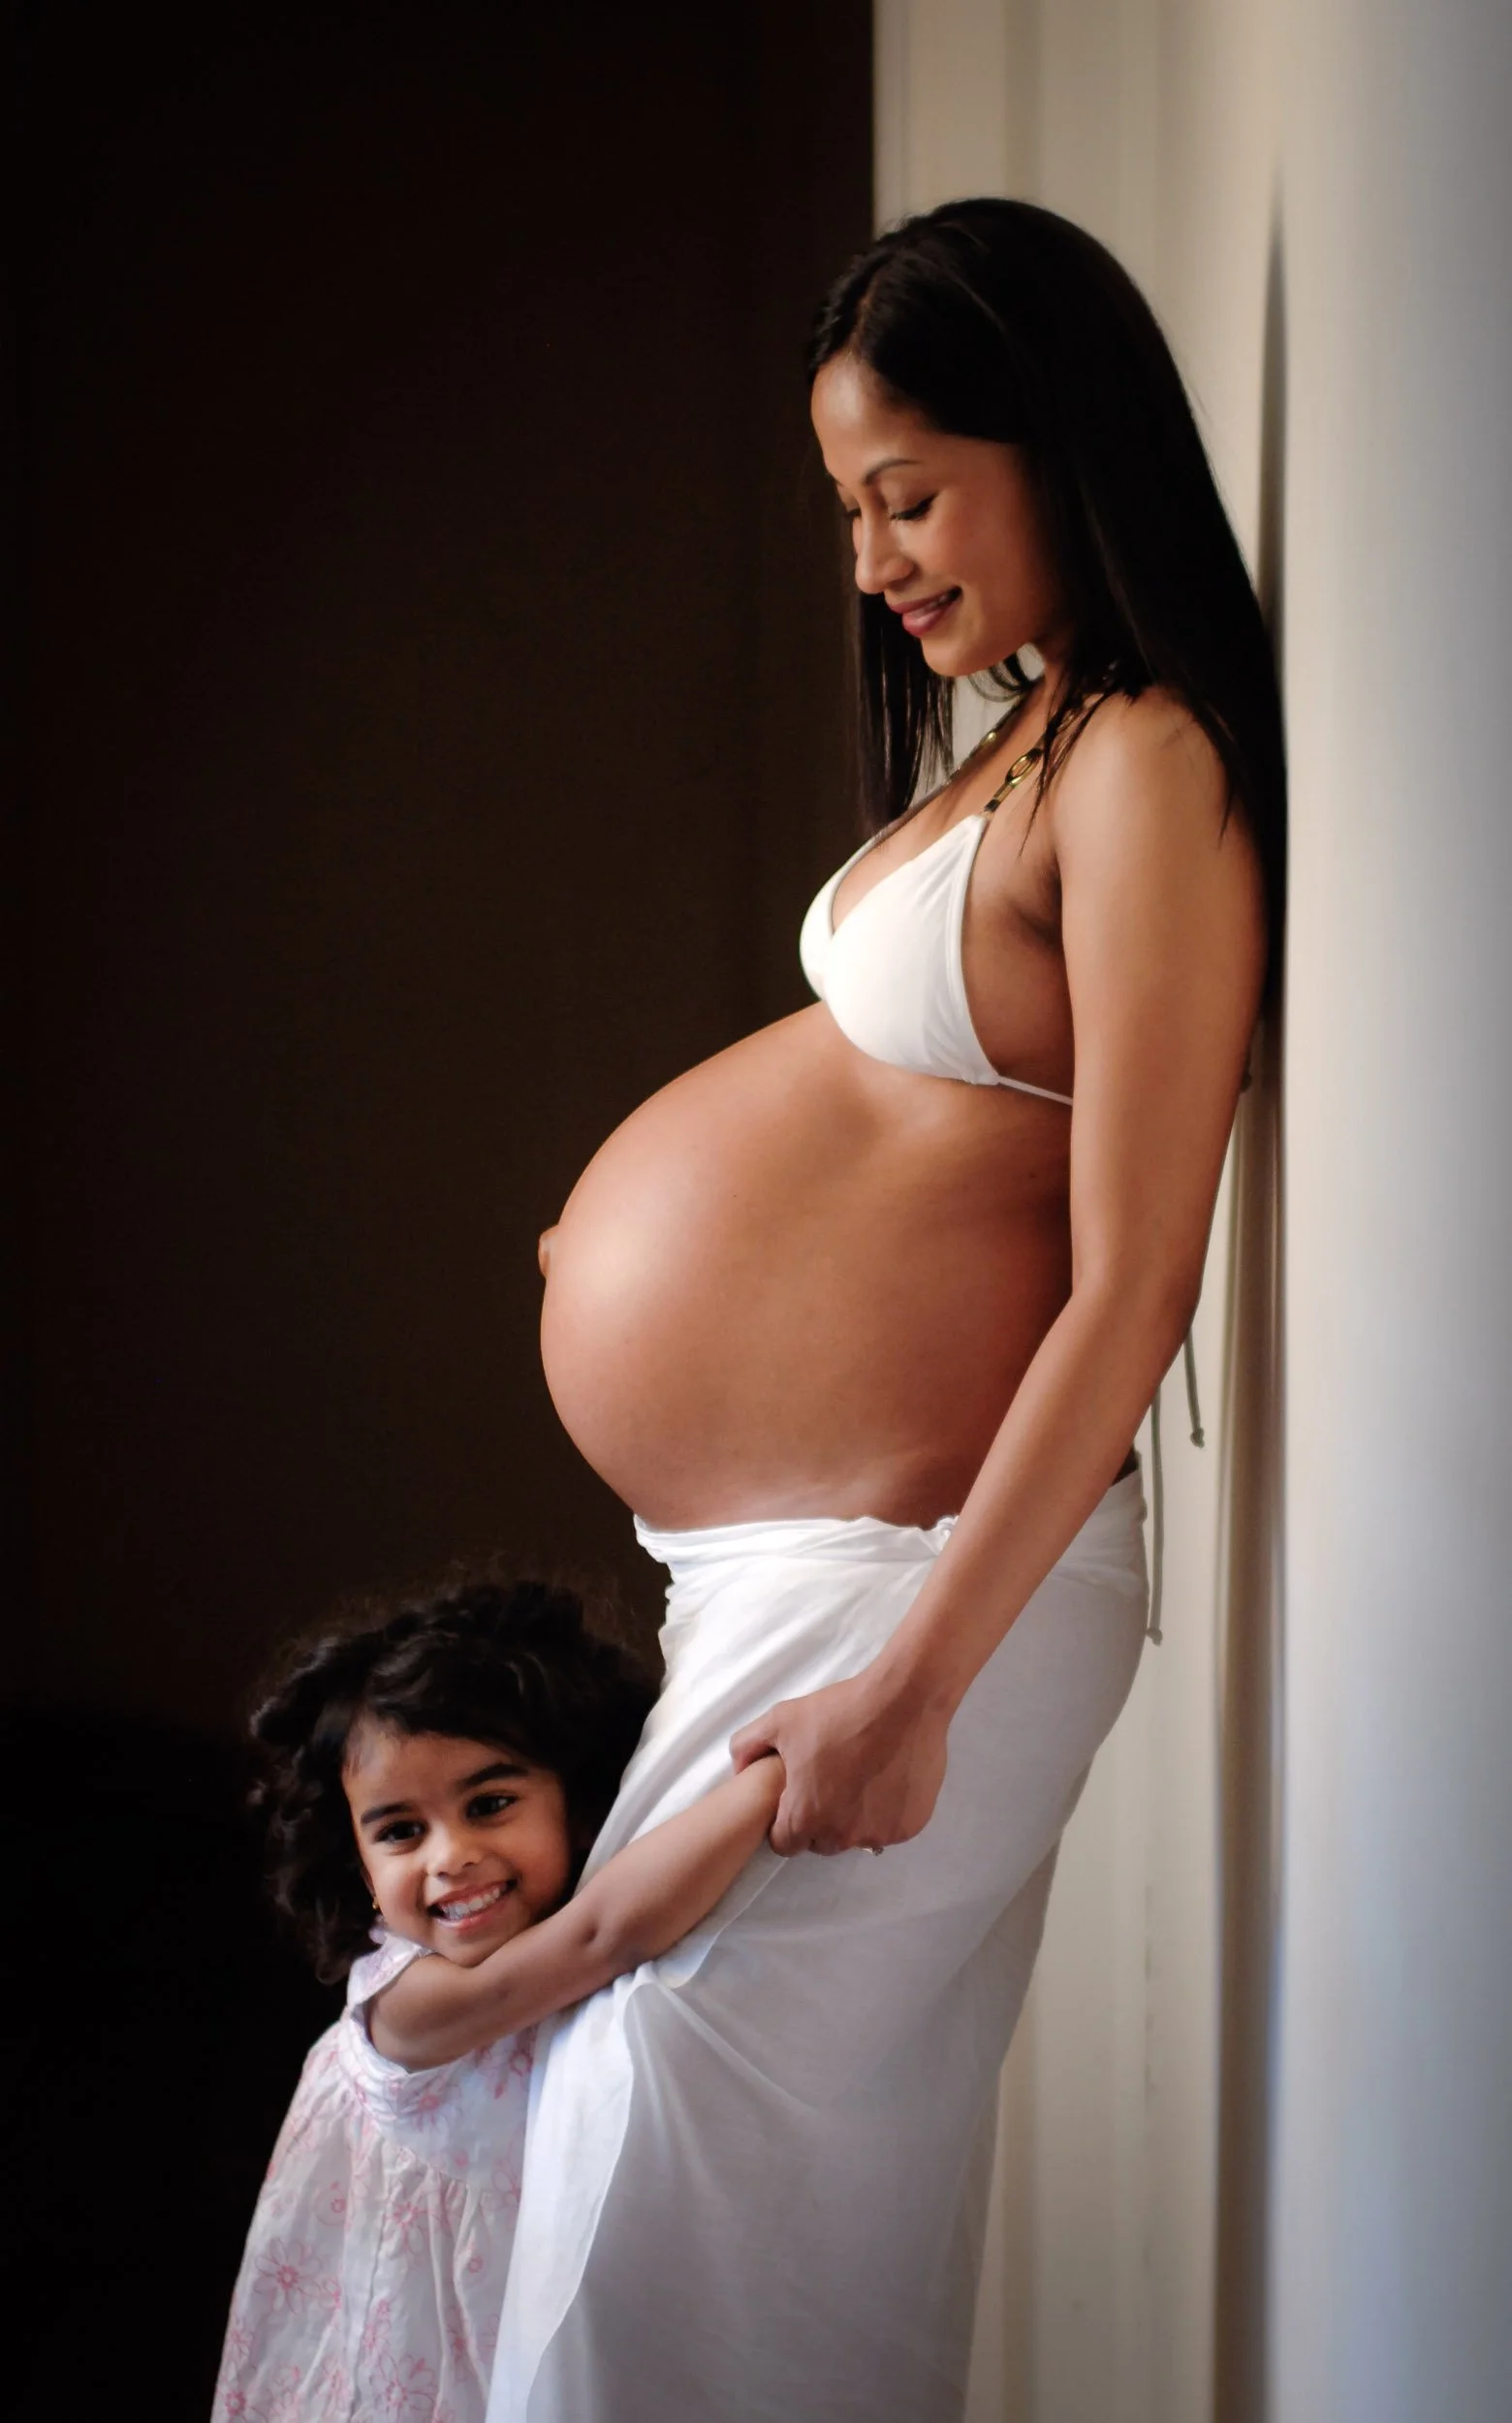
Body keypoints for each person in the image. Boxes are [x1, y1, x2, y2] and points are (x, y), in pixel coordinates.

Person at [502, 199, 1285, 2422]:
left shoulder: (1142, 766)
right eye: (847, 509)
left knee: (672, 2189)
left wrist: (909, 1684)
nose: (871, 560)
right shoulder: (1025, 734)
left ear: (1057, 442)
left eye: (906, 493)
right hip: (802, 1573)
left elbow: (1134, 1278)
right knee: (675, 2190)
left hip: (914, 1601)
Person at [211, 1576, 784, 2423]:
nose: (452, 1856)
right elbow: (605, 1933)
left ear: (577, 1803)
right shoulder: (406, 2004)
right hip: (399, 2359)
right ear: (357, 1863)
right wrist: (781, 1779)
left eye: (490, 1804)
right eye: (401, 1830)